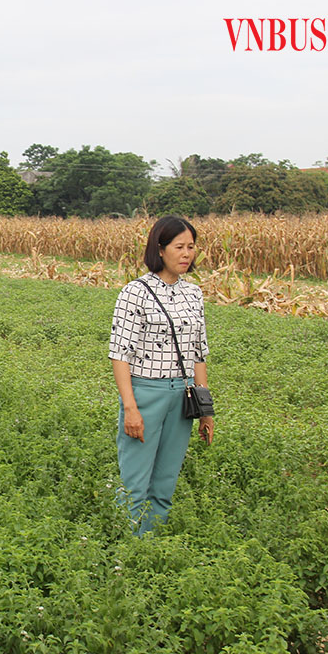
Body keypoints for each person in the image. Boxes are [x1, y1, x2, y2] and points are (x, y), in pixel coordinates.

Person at [109, 216, 214, 536]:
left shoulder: (193, 294)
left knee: (165, 483)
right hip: (145, 393)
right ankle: (126, 554)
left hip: (181, 397)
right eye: (179, 247)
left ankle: (151, 550)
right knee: (135, 484)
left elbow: (198, 353)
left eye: (191, 247)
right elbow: (119, 353)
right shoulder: (135, 292)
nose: (186, 254)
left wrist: (206, 409)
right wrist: (131, 407)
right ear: (160, 249)